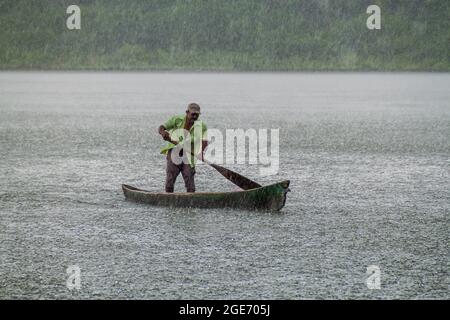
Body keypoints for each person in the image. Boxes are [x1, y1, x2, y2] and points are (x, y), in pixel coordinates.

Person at [158, 103, 208, 193]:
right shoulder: (177, 120)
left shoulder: (201, 126)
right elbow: (161, 127)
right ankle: (169, 200)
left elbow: (204, 141)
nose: (195, 116)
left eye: (197, 114)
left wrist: (201, 153)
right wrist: (163, 132)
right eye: (193, 114)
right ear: (187, 112)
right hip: (174, 154)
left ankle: (191, 202)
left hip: (188, 156)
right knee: (169, 182)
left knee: (190, 184)